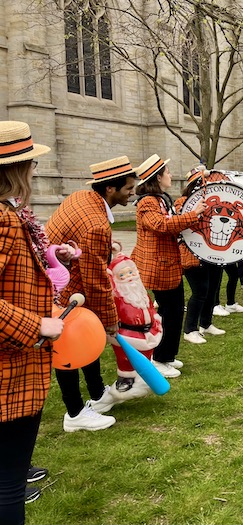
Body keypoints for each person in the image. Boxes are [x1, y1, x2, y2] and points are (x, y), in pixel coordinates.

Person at [0, 121, 65, 525]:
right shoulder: (3, 220)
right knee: (8, 486)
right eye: (31, 163)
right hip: (10, 366)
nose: (36, 170)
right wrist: (36, 326)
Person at [46, 155, 139, 432]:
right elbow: (96, 280)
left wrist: (102, 248)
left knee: (86, 342)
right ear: (110, 189)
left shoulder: (82, 198)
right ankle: (75, 414)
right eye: (128, 189)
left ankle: (98, 396)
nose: (133, 193)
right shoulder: (96, 224)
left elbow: (83, 244)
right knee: (68, 350)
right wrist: (110, 320)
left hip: (61, 283)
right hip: (64, 290)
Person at [131, 155, 206, 377]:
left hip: (169, 265)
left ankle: (167, 356)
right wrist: (193, 215)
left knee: (172, 312)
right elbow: (160, 225)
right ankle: (160, 359)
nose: (171, 175)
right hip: (159, 267)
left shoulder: (160, 199)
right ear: (157, 177)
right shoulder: (147, 202)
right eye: (167, 172)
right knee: (169, 313)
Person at [173, 171, 232, 344]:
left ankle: (206, 323)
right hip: (193, 253)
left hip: (213, 253)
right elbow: (182, 222)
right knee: (200, 292)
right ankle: (190, 329)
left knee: (212, 289)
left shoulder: (219, 202)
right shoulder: (181, 202)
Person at [106, 250, 162, 391]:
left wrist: (154, 318)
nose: (128, 277)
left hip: (148, 331)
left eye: (130, 273)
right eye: (122, 275)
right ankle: (126, 378)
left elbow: (149, 306)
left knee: (146, 354)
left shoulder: (140, 291)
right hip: (127, 333)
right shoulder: (118, 296)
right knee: (125, 357)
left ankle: (145, 375)